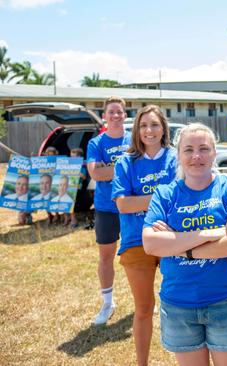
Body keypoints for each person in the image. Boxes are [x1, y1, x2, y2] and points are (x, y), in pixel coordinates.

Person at [142, 123, 227, 366]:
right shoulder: (165, 194)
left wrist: (177, 243)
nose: (196, 156)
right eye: (188, 150)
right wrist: (209, 233)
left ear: (214, 152)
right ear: (178, 155)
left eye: (204, 149)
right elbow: (150, 243)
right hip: (179, 304)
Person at [112, 105, 177, 366]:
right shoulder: (125, 163)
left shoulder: (175, 158)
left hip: (173, 239)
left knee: (179, 304)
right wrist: (161, 198)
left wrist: (143, 201)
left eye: (154, 125)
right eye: (143, 125)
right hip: (136, 241)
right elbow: (123, 205)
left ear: (164, 128)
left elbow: (182, 197)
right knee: (143, 308)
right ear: (137, 131)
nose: (149, 131)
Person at [87, 96, 131, 325]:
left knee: (144, 255)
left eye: (119, 112)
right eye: (111, 112)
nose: (115, 115)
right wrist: (124, 166)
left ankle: (146, 300)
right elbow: (96, 174)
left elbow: (141, 167)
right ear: (104, 116)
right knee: (106, 257)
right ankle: (107, 303)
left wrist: (109, 166)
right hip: (106, 207)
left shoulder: (135, 140)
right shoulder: (96, 143)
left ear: (124, 115)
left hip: (133, 206)